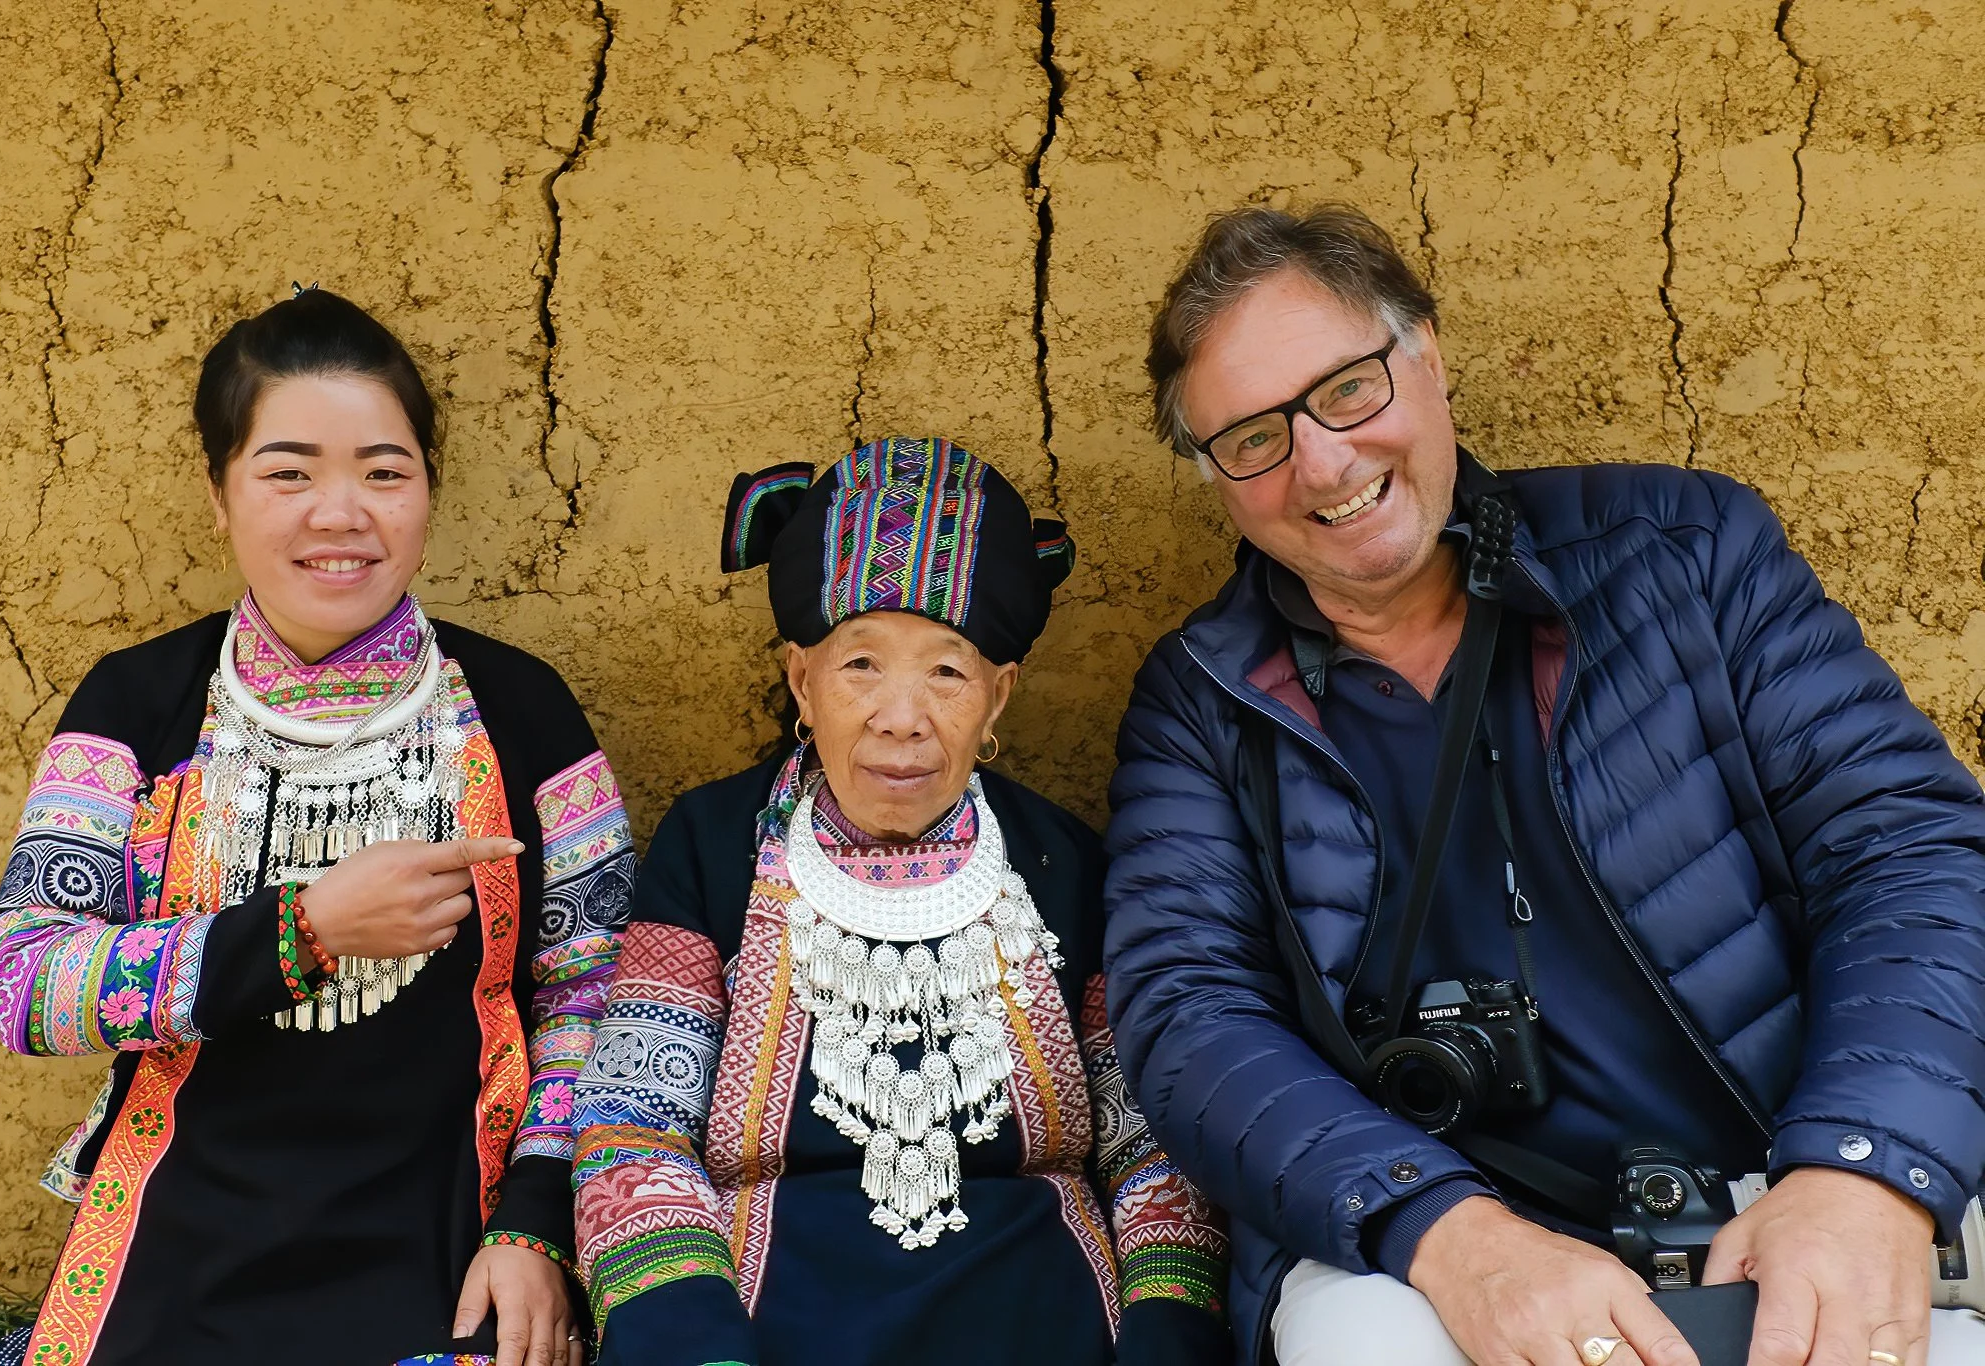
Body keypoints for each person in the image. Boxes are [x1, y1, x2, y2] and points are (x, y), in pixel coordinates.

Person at [1102, 205, 1985, 1366]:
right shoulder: (1197, 699)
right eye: (1251, 438)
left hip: (1794, 1158)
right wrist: (1445, 1231)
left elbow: (1907, 847)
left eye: (1347, 389)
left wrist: (1860, 1166)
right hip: (1437, 1232)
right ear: (1214, 473)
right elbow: (1187, 1016)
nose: (1319, 461)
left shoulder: (1683, 550)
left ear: (1426, 353)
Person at [0, 287, 632, 1366]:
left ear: (427, 489)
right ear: (218, 494)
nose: (340, 512)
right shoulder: (138, 704)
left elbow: (590, 991)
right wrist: (305, 928)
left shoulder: (522, 710)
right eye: (288, 472)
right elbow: (28, 986)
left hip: (445, 1232)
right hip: (183, 1237)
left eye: (384, 471)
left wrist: (536, 1223)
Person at [569, 436, 1230, 1366]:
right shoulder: (715, 843)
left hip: (1043, 1317)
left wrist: (1170, 1329)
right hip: (766, 1329)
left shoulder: (1066, 862)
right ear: (803, 681)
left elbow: (1149, 1140)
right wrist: (688, 1337)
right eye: (861, 666)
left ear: (998, 698)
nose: (901, 716)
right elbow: (635, 1121)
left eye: (948, 672)